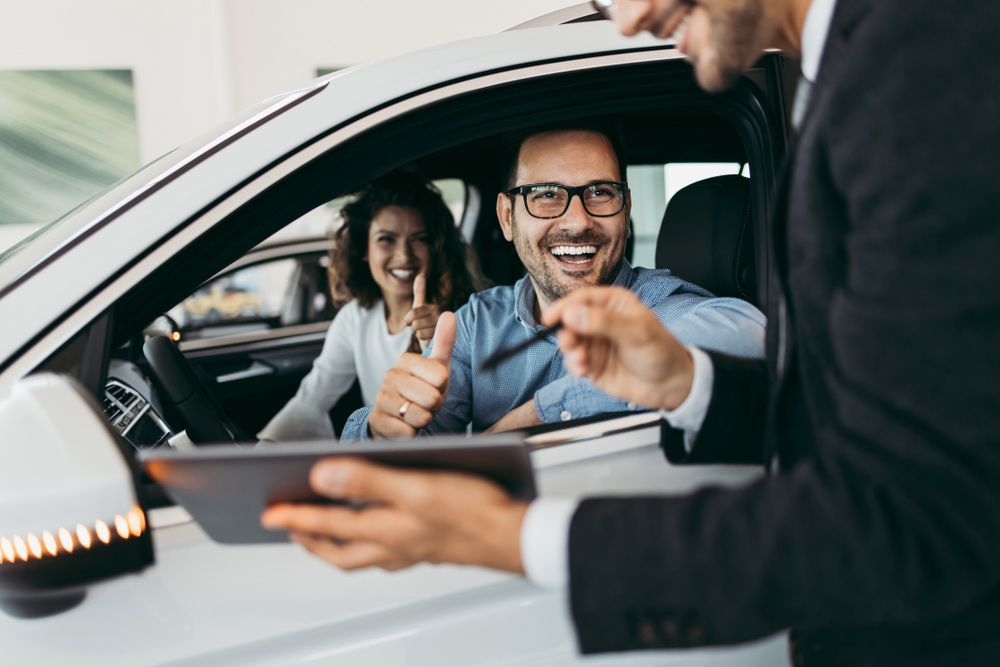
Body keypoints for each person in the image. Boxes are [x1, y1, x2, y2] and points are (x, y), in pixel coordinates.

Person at [339, 119, 765, 440]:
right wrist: (383, 426)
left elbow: (751, 339)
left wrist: (530, 420)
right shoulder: (476, 324)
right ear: (507, 217)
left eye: (600, 192)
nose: (578, 221)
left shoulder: (660, 308)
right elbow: (417, 438)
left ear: (626, 209)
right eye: (546, 195)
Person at [258, 173, 478, 441]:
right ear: (364, 248)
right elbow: (312, 399)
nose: (404, 255)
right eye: (387, 239)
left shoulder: (463, 319)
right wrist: (265, 449)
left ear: (435, 248)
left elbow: (466, 423)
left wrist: (435, 343)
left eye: (420, 239)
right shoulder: (355, 318)